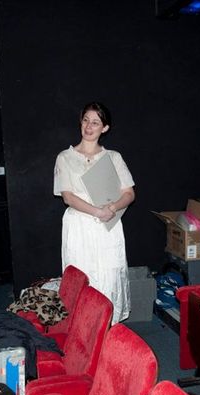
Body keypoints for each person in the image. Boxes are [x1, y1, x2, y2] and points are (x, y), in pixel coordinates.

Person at [53, 102, 135, 324]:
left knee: (109, 275)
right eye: (86, 120)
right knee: (82, 274)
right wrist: (97, 211)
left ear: (104, 128)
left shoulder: (114, 157)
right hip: (79, 225)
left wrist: (112, 208)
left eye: (95, 122)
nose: (89, 126)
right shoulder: (65, 157)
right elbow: (68, 196)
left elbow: (129, 193)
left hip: (108, 225)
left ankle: (107, 327)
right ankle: (82, 328)